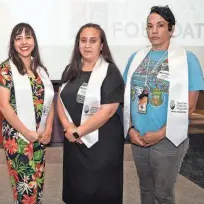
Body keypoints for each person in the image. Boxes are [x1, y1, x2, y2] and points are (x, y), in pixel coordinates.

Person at [123, 6, 204, 204]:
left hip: (168, 138)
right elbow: (126, 98)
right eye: (150, 26)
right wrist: (131, 129)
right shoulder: (136, 58)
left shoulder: (187, 60)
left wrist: (162, 133)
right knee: (145, 189)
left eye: (160, 25)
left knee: (163, 195)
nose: (154, 31)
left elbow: (190, 106)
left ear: (171, 29)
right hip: (138, 137)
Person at [57, 23, 125, 204]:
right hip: (74, 143)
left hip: (101, 146)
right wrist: (68, 126)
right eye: (83, 40)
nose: (87, 45)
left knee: (99, 192)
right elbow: (60, 99)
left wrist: (79, 131)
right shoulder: (70, 69)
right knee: (77, 191)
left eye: (93, 41)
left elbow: (108, 110)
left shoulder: (110, 72)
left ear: (101, 45)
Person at [0, 23, 55, 203]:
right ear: (12, 43)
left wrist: (49, 128)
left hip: (40, 136)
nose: (24, 42)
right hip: (18, 139)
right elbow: (4, 107)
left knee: (37, 184)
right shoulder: (5, 69)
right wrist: (27, 132)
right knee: (25, 188)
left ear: (34, 41)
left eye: (28, 37)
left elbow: (48, 102)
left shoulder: (40, 70)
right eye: (18, 38)